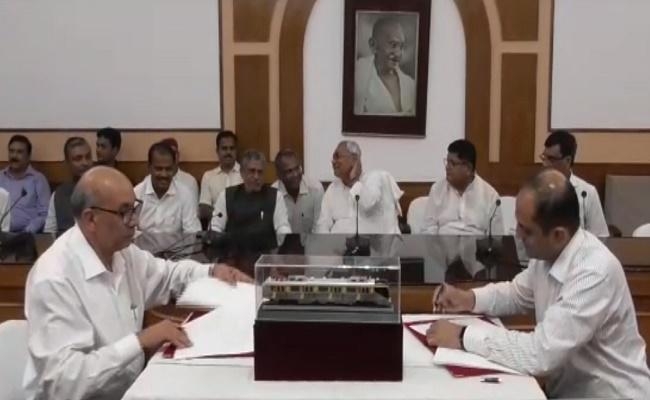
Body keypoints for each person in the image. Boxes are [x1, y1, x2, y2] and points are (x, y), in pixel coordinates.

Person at [23, 166, 251, 399]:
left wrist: (212, 271)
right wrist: (140, 341)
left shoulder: (123, 254)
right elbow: (63, 382)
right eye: (124, 212)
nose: (135, 222)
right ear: (91, 219)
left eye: (135, 209)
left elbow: (168, 275)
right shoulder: (54, 278)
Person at [426, 168, 650, 399]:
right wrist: (468, 298)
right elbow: (516, 294)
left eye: (526, 230)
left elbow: (540, 354)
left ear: (558, 235)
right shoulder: (548, 254)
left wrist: (462, 336)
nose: (517, 235)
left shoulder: (593, 272)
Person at [315, 140, 402, 234]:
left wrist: (353, 181)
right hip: (338, 242)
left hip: (371, 242)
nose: (333, 161)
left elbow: (367, 203)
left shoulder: (375, 179)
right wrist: (326, 241)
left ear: (354, 158)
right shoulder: (333, 188)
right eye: (333, 158)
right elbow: (322, 224)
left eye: (337, 156)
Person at [422, 140, 503, 235]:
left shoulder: (490, 196)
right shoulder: (437, 190)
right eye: (447, 162)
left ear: (468, 168)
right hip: (443, 243)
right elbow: (428, 230)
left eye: (452, 163)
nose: (447, 167)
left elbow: (496, 237)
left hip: (475, 243)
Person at [541, 130, 609, 237]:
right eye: (544, 158)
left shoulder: (587, 193)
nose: (545, 164)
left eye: (551, 159)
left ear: (568, 160)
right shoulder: (537, 190)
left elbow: (601, 236)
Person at [211, 149, 290, 238]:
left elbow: (282, 227)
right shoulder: (226, 196)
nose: (256, 176)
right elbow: (216, 227)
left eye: (260, 172)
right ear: (242, 173)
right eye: (252, 171)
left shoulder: (275, 196)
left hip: (264, 246)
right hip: (235, 246)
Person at [134, 142, 201, 234]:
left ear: (174, 168)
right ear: (149, 167)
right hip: (142, 243)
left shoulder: (185, 195)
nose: (164, 174)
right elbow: (129, 232)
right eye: (158, 169)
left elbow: (192, 233)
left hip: (177, 244)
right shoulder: (136, 193)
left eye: (168, 169)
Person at [354, 17, 416, 116]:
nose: (399, 53)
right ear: (373, 45)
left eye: (401, 47)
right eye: (393, 45)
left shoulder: (410, 84)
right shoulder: (358, 73)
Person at [0, 135, 50, 233]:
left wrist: (27, 232)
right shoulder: (0, 177)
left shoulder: (38, 179)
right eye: (11, 151)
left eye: (19, 152)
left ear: (28, 156)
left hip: (27, 235)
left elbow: (44, 214)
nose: (14, 156)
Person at [44, 137, 94, 234]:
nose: (85, 163)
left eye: (88, 157)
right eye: (78, 159)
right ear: (67, 163)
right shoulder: (58, 195)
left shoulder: (104, 191)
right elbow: (50, 232)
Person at [272, 149, 323, 233]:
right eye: (289, 171)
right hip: (284, 240)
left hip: (311, 240)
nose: (295, 174)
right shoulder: (273, 194)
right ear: (279, 175)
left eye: (297, 168)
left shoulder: (315, 189)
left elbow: (319, 227)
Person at [199, 130, 243, 221]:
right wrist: (223, 217)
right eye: (224, 148)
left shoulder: (245, 174)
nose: (228, 152)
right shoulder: (208, 176)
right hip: (215, 225)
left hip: (241, 225)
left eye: (232, 148)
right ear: (217, 151)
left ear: (236, 150)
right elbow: (204, 209)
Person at [159, 137, 199, 205]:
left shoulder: (190, 181)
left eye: (174, 152)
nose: (172, 156)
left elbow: (193, 208)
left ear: (178, 155)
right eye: (168, 152)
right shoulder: (151, 179)